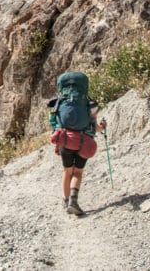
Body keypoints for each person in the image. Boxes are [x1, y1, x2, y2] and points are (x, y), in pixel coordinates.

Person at [48, 71, 106, 216]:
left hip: (65, 140)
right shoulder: (89, 104)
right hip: (83, 140)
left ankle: (66, 200)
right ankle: (73, 201)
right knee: (78, 172)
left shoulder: (58, 102)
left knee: (67, 171)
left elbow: (53, 121)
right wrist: (102, 127)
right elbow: (95, 126)